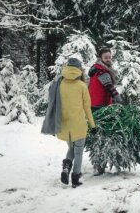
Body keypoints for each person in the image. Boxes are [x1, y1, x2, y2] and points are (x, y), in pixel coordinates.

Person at [41, 57, 96, 188]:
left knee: (71, 148)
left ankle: (66, 168)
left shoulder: (59, 84)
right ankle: (75, 178)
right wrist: (92, 125)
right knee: (78, 152)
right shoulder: (82, 85)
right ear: (79, 70)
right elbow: (87, 108)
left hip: (64, 124)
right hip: (79, 125)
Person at [88, 47, 122, 175]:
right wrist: (117, 98)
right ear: (100, 57)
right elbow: (109, 87)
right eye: (105, 57)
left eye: (109, 57)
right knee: (102, 135)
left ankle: (99, 164)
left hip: (94, 105)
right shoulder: (102, 71)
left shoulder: (95, 69)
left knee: (97, 134)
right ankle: (99, 164)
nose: (108, 59)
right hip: (100, 106)